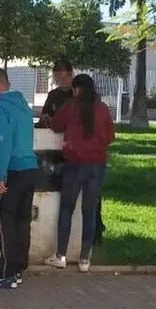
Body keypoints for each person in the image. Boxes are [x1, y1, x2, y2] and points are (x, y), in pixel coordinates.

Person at [44, 74, 114, 273]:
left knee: (67, 209)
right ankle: (85, 259)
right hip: (97, 166)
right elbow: (110, 136)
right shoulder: (102, 109)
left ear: (76, 89)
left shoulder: (70, 106)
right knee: (89, 211)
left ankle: (61, 256)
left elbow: (56, 125)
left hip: (74, 164)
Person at [0, 68, 38, 289]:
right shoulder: (23, 105)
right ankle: (17, 269)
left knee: (3, 223)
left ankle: (6, 272)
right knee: (21, 222)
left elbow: (3, 143)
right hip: (30, 168)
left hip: (12, 171)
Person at [35, 60, 74, 129]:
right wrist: (44, 119)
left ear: (71, 74)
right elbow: (44, 115)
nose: (60, 80)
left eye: (63, 77)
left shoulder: (78, 94)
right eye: (57, 76)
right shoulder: (52, 95)